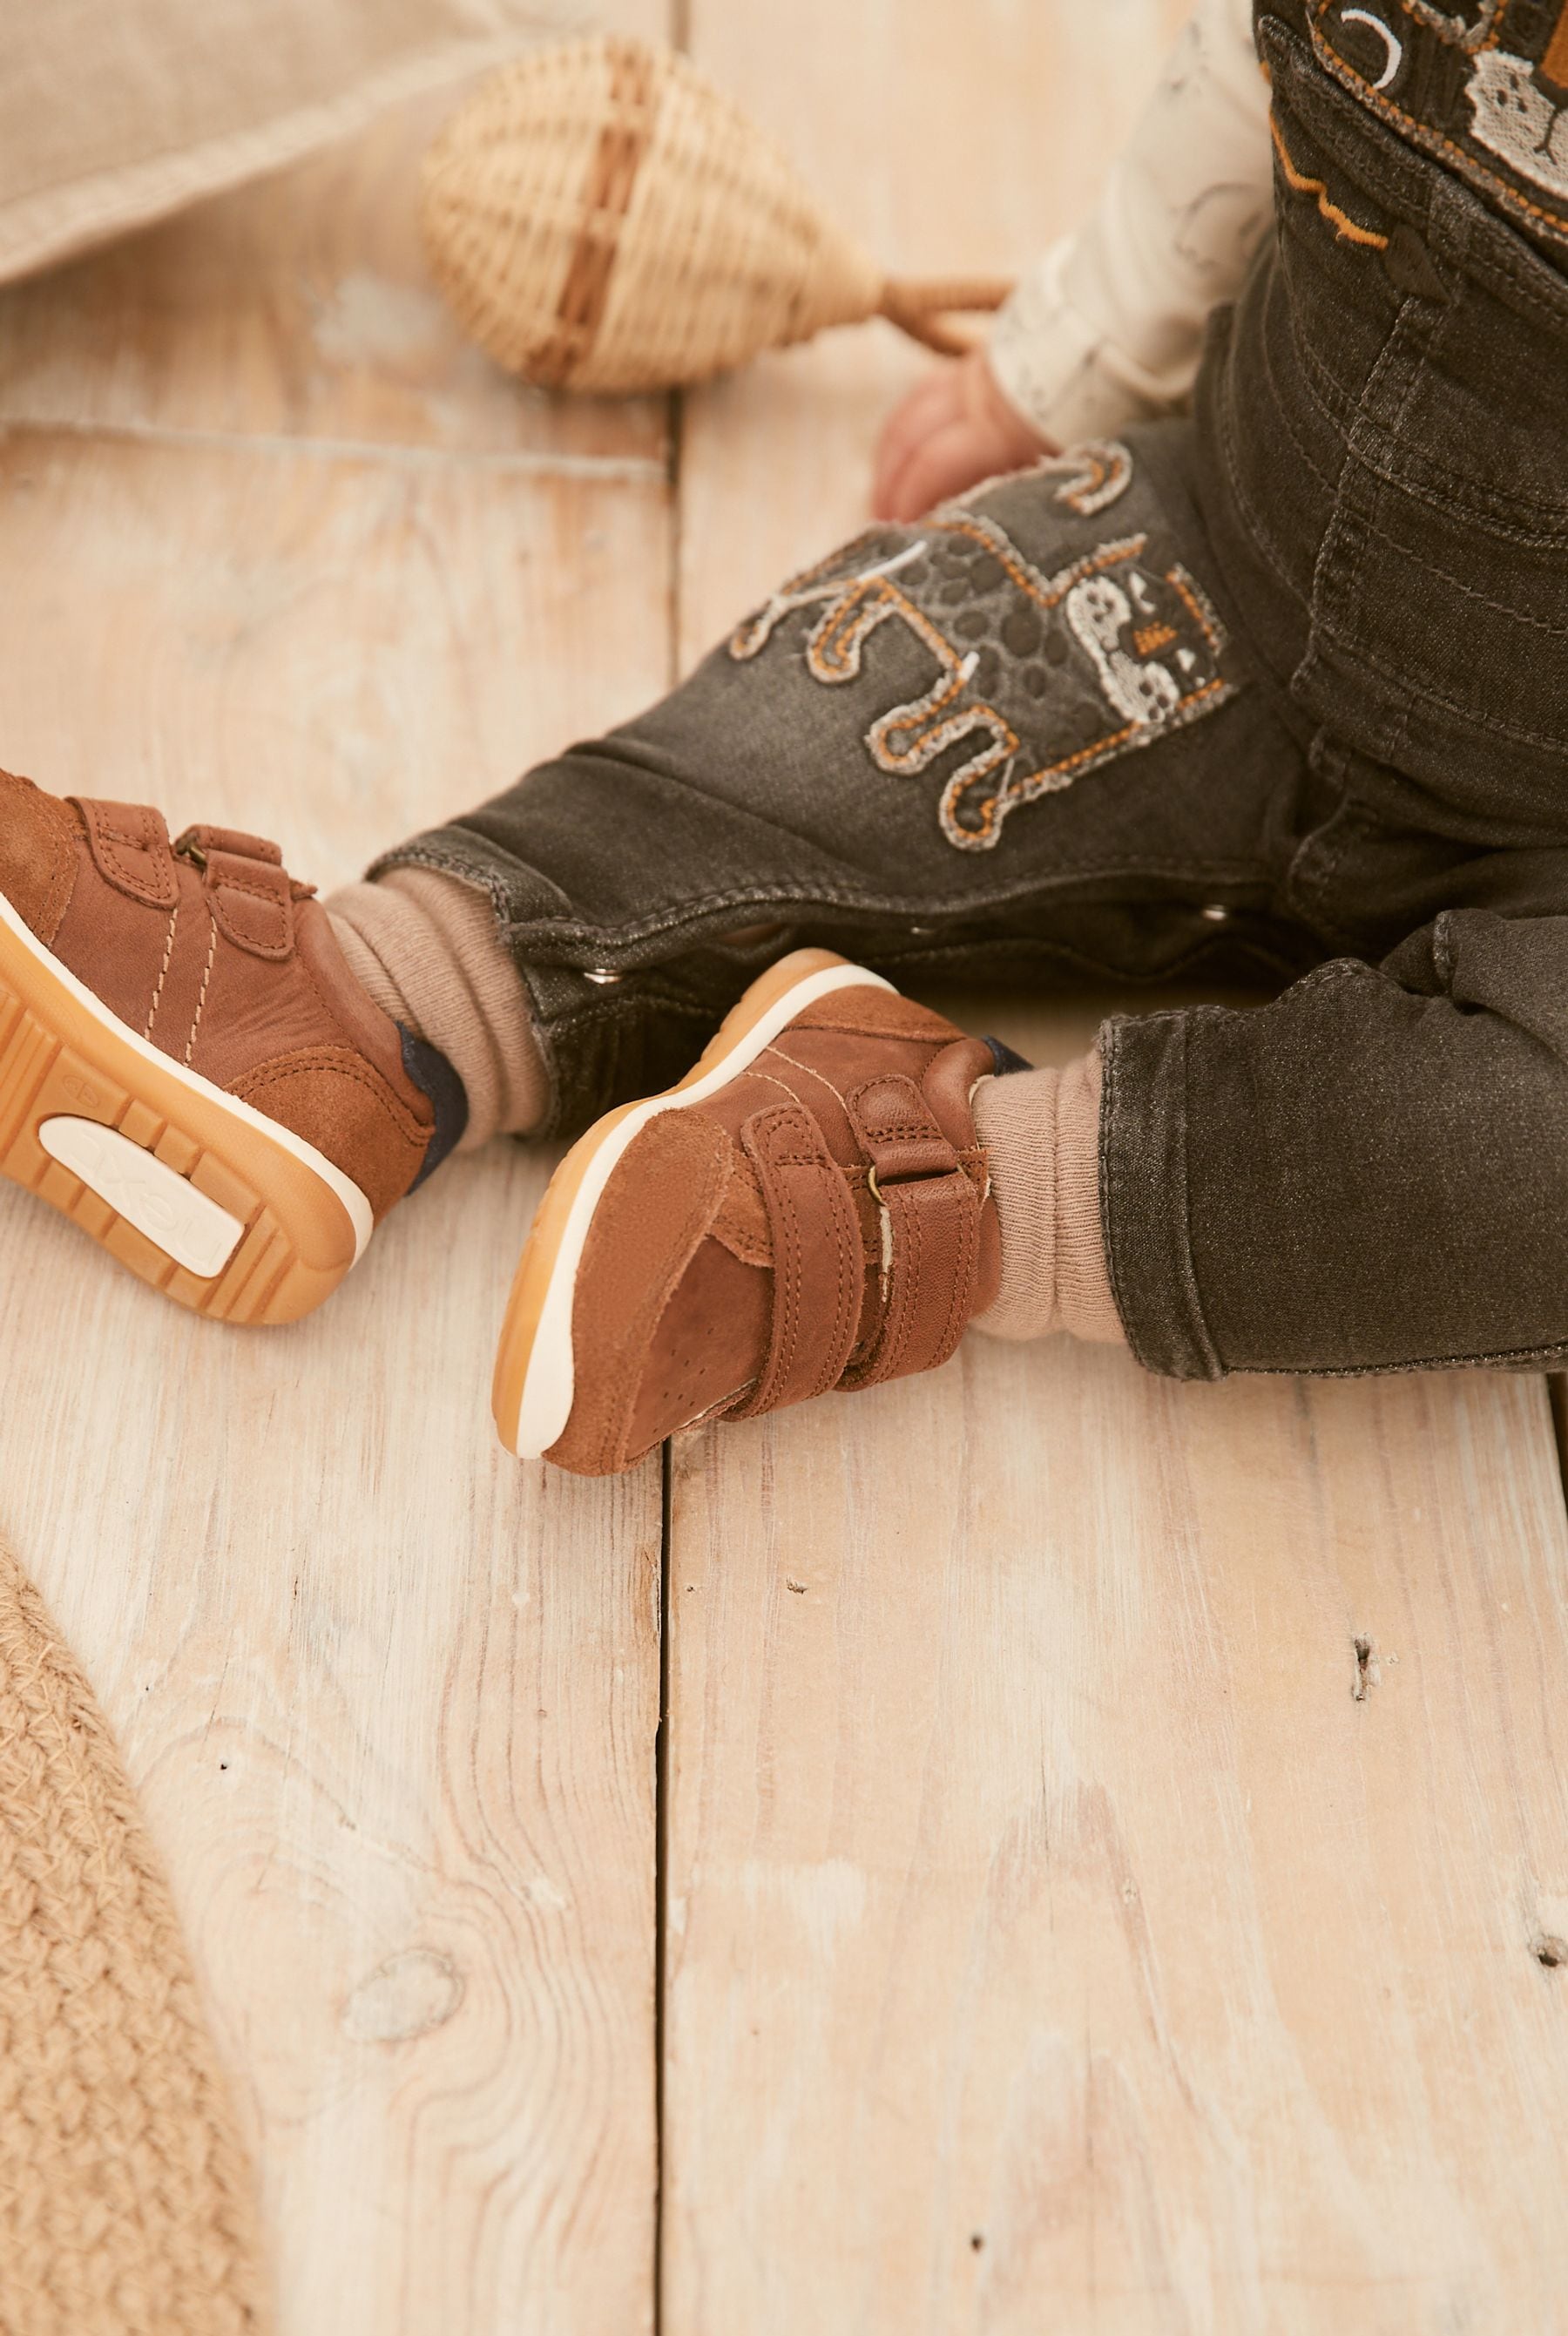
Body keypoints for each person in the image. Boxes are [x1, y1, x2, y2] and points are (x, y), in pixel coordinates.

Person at [4, 0, 1568, 1474]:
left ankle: (945, 1190)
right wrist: (1066, 363)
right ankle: (377, 1015)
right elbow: (1247, 76)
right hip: (1217, 560)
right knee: (854, 696)